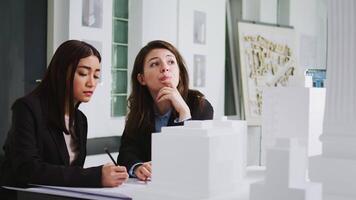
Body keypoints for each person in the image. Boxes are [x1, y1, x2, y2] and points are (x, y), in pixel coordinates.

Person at [0, 40, 128, 194]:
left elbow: (71, 174)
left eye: (96, 76)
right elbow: (27, 169)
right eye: (83, 73)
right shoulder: (27, 108)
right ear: (61, 72)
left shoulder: (80, 120)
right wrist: (94, 176)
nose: (91, 83)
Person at [117, 40, 214, 181]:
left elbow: (194, 156)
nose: (165, 68)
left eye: (171, 62)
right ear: (142, 78)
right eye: (155, 64)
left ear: (179, 73)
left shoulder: (200, 105)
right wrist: (138, 167)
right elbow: (126, 153)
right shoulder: (139, 110)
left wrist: (184, 112)